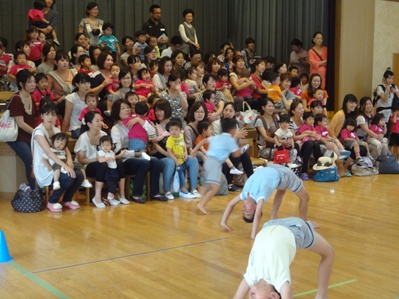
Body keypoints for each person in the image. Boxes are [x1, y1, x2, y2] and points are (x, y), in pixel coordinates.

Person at [232, 217, 334, 299]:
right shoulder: (278, 278)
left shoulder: (252, 275)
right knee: (329, 252)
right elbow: (286, 291)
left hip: (270, 225)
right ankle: (322, 295)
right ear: (273, 296)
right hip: (296, 229)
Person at [221, 164, 315, 239]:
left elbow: (230, 204)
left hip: (272, 168)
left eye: (243, 211)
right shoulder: (260, 197)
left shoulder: (244, 194)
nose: (244, 209)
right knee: (305, 197)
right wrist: (253, 234)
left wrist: (223, 222)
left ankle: (276, 217)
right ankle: (304, 221)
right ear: (256, 207)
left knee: (281, 189)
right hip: (284, 176)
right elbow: (257, 216)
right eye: (248, 212)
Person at [111, 99, 167, 203]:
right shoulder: (116, 129)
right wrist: (137, 153)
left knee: (157, 162)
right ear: (116, 111)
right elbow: (118, 151)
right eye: (123, 108)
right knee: (144, 163)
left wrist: (140, 120)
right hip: (125, 158)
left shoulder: (136, 120)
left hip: (141, 153)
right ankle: (136, 194)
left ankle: (154, 192)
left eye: (128, 107)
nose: (127, 110)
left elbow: (151, 132)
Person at [32, 101, 84, 212]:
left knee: (79, 175)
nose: (50, 117)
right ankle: (52, 201)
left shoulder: (56, 130)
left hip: (59, 163)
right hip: (46, 166)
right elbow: (49, 153)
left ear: (56, 116)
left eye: (53, 114)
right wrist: (66, 166)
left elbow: (65, 148)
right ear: (42, 116)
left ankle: (67, 200)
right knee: (69, 176)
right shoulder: (38, 132)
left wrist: (69, 160)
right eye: (47, 114)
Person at [74, 111, 127, 208]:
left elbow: (109, 150)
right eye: (97, 121)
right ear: (89, 124)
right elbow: (81, 160)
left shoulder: (103, 134)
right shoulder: (83, 138)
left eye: (101, 120)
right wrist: (98, 159)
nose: (100, 123)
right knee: (102, 165)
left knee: (119, 163)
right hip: (88, 166)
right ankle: (97, 197)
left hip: (104, 163)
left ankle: (121, 195)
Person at [191, 118, 243, 214]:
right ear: (232, 130)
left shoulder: (218, 137)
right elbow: (236, 154)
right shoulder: (230, 140)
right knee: (215, 187)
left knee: (221, 180)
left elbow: (203, 141)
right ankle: (201, 204)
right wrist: (241, 145)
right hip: (214, 163)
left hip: (209, 162)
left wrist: (194, 150)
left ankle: (204, 188)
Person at [212, 102, 254, 191]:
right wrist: (234, 137)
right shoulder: (216, 124)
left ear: (234, 113)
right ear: (222, 112)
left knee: (243, 154)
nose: (228, 112)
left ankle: (252, 180)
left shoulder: (235, 125)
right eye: (226, 110)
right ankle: (228, 182)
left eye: (230, 111)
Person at [7, 70, 37, 188]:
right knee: (30, 162)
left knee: (37, 160)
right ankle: (35, 191)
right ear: (21, 83)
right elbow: (20, 123)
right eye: (29, 82)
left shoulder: (31, 97)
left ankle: (40, 189)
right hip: (17, 136)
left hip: (29, 135)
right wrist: (36, 133)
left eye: (34, 82)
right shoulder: (16, 99)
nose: (33, 84)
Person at [289, 101, 322, 180]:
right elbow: (294, 137)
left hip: (306, 141)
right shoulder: (290, 121)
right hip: (297, 143)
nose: (302, 110)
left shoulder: (306, 119)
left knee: (315, 143)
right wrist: (307, 134)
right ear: (293, 111)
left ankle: (318, 169)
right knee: (310, 143)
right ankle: (304, 171)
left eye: (302, 108)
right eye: (299, 109)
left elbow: (313, 131)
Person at [166, 118, 198, 199]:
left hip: (182, 160)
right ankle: (182, 190)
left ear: (180, 130)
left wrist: (186, 154)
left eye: (176, 129)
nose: (173, 131)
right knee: (180, 173)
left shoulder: (181, 137)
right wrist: (176, 160)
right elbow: (169, 152)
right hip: (176, 161)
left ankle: (193, 189)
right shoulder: (170, 139)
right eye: (171, 129)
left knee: (193, 159)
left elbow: (184, 147)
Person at [47, 51, 77, 117]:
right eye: (62, 60)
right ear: (55, 62)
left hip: (75, 99)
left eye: (67, 60)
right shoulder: (51, 75)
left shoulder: (74, 72)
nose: (65, 63)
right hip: (60, 103)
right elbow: (47, 93)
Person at [97, 135, 125, 206]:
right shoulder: (101, 152)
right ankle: (110, 199)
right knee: (111, 185)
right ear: (100, 146)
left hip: (114, 170)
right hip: (108, 171)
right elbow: (100, 160)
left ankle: (111, 198)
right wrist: (108, 158)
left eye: (108, 145)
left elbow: (114, 157)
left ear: (111, 145)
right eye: (103, 145)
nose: (105, 147)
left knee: (115, 184)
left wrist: (121, 154)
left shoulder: (111, 152)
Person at [62, 73, 91, 139]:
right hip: (76, 127)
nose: (87, 86)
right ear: (77, 84)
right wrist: (62, 134)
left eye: (88, 83)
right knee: (84, 136)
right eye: (84, 83)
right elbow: (67, 117)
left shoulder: (92, 97)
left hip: (90, 126)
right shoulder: (71, 98)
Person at [374, 68, 399, 135]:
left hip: (391, 113)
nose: (391, 80)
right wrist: (387, 90)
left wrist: (395, 92)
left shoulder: (394, 86)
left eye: (392, 78)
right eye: (389, 78)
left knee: (390, 132)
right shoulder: (380, 87)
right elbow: (384, 99)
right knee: (381, 131)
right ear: (385, 79)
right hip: (382, 112)